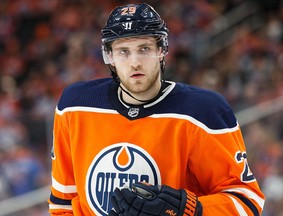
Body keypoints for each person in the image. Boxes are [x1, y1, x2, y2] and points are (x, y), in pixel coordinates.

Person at [48, 3, 265, 216]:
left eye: (144, 49)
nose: (135, 63)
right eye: (124, 51)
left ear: (162, 50)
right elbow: (62, 204)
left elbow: (247, 202)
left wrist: (190, 210)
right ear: (110, 56)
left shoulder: (202, 111)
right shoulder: (75, 106)